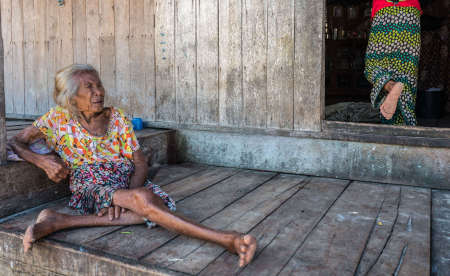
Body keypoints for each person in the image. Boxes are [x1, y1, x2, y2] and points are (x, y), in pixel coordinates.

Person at [9, 64, 257, 267]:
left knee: (154, 206)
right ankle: (228, 239)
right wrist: (41, 160)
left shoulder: (117, 117)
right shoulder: (56, 119)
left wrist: (128, 194)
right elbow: (16, 141)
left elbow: (139, 161)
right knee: (149, 207)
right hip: (89, 181)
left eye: (99, 85)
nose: (99, 92)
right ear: (72, 97)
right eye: (89, 87)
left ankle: (60, 221)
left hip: (125, 181)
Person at [364, 0, 422, 125]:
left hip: (384, 13)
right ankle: (406, 126)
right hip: (410, 15)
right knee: (407, 74)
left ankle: (390, 86)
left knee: (373, 66)